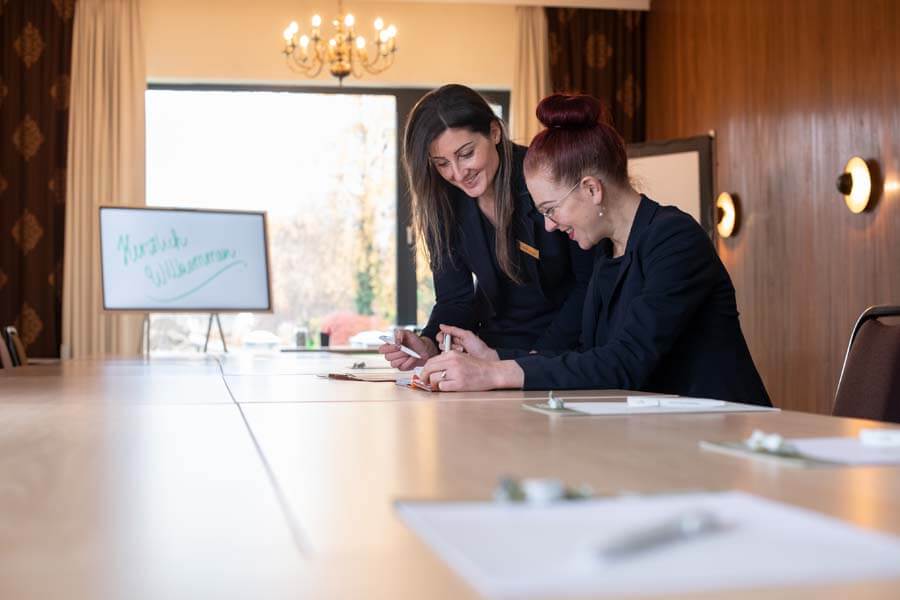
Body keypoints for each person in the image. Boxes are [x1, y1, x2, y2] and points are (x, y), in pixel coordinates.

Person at [419, 93, 771, 406]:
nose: (549, 226)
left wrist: (497, 373)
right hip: (665, 433)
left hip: (726, 432)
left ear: (591, 189)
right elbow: (587, 355)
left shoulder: (675, 240)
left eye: (551, 209)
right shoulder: (607, 255)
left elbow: (625, 362)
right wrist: (494, 357)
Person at [379, 84, 594, 370]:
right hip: (490, 351)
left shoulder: (547, 175)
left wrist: (531, 363)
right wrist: (429, 343)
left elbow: (588, 285)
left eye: (466, 154)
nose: (457, 174)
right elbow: (455, 299)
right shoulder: (443, 202)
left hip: (566, 351)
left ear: (494, 132)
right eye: (442, 163)